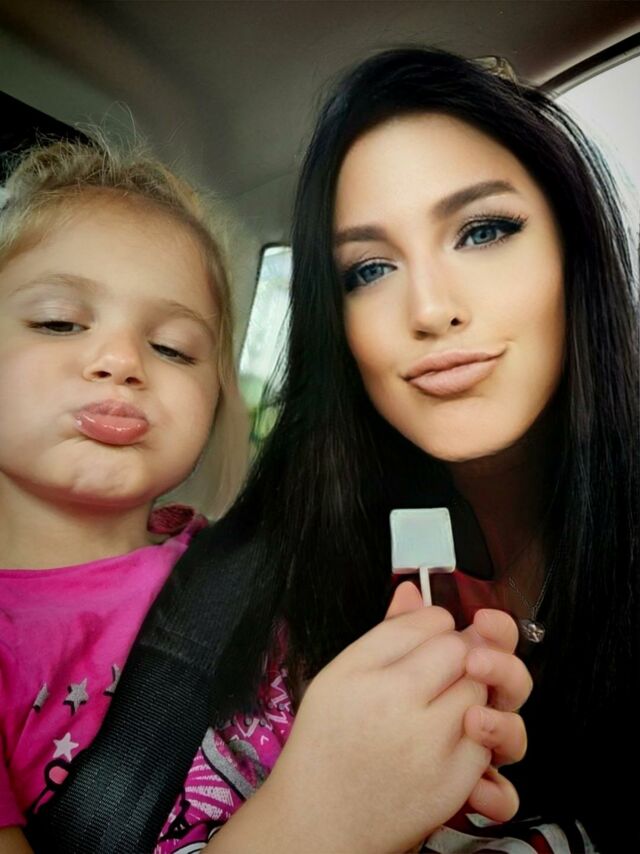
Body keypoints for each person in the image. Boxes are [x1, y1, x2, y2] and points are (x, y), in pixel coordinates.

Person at [0, 136, 531, 854]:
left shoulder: (244, 565)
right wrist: (327, 819)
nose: (121, 361)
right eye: (58, 322)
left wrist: (432, 737)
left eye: (173, 347)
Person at [181, 48, 638, 853]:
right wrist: (315, 818)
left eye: (484, 230)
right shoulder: (263, 580)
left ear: (574, 251)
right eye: (369, 269)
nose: (429, 309)